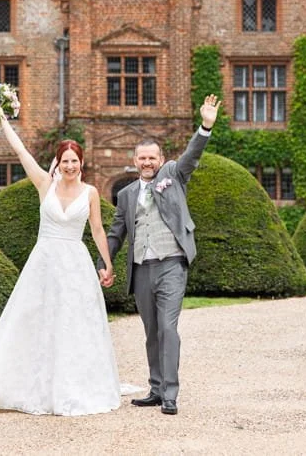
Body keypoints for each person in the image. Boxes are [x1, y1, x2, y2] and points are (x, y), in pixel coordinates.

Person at [0, 116, 120, 416]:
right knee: (35, 320)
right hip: (44, 262)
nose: (69, 166)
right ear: (57, 163)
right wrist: (3, 120)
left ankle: (71, 386)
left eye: (74, 161)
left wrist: (107, 264)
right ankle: (32, 384)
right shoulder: (45, 184)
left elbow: (97, 230)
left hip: (75, 265)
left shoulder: (91, 193)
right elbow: (21, 153)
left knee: (74, 324)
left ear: (81, 163)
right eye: (65, 161)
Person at [98, 94, 221, 416]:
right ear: (135, 160)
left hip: (171, 264)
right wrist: (105, 264)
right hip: (141, 269)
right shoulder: (125, 195)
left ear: (161, 159)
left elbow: (192, 156)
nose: (147, 163)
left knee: (168, 327)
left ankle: (170, 394)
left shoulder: (174, 176)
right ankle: (154, 388)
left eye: (152, 158)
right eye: (142, 158)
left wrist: (205, 126)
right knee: (151, 330)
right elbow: (116, 233)